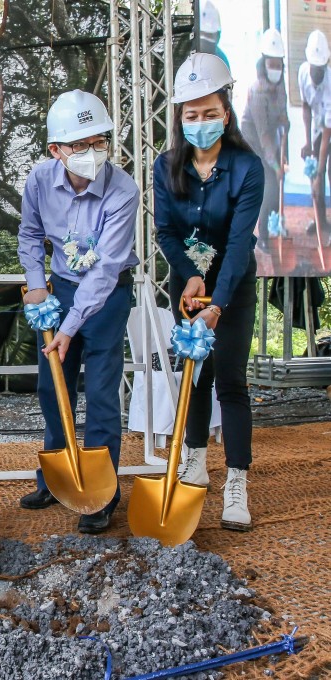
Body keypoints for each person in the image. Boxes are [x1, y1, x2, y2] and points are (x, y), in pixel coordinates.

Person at [16, 90, 139, 535]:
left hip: (107, 299)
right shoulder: (38, 180)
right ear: (56, 150)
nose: (93, 152)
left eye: (100, 141)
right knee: (53, 388)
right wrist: (35, 285)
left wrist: (69, 328)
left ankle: (101, 493)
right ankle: (56, 476)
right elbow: (30, 235)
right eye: (80, 144)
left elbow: (106, 268)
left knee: (103, 396)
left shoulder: (123, 190)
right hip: (59, 290)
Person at [154, 52, 264, 532]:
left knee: (230, 382)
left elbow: (239, 244)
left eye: (210, 112)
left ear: (226, 110)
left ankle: (236, 480)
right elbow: (165, 232)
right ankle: (194, 461)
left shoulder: (247, 167)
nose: (201, 122)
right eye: (191, 114)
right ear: (180, 117)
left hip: (232, 292)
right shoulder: (166, 166)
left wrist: (217, 301)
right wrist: (189, 276)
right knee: (193, 376)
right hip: (189, 289)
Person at [240, 28, 288, 251]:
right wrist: (276, 164)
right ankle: (264, 238)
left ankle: (277, 224)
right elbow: (263, 134)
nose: (276, 69)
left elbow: (280, 114)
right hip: (254, 142)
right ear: (264, 63)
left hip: (270, 139)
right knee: (269, 185)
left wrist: (285, 121)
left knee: (278, 182)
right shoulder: (257, 91)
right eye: (272, 64)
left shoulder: (280, 85)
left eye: (279, 65)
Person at [297, 30, 331, 237]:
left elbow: (328, 132)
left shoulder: (330, 83)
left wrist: (319, 171)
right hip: (320, 128)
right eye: (314, 69)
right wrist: (308, 143)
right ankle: (322, 223)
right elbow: (306, 108)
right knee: (315, 179)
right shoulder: (302, 72)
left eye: (321, 69)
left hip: (328, 129)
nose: (317, 73)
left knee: (327, 172)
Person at [199, 1, 230, 69]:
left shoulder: (221, 60)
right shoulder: (186, 52)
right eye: (201, 34)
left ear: (218, 36)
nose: (204, 39)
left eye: (209, 36)